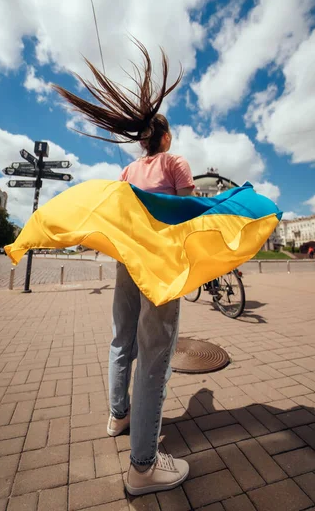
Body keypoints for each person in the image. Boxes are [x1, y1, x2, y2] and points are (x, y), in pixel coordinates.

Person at [53, 41, 193, 495]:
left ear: (141, 139)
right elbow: (189, 211)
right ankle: (144, 466)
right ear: (165, 138)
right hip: (159, 265)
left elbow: (119, 215)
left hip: (126, 262)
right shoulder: (174, 161)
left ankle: (118, 416)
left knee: (122, 340)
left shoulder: (128, 172)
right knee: (154, 356)